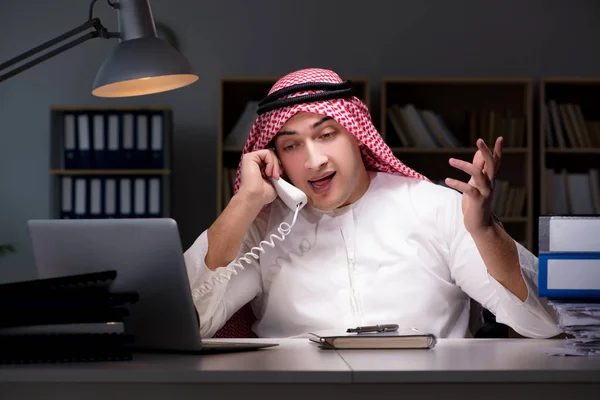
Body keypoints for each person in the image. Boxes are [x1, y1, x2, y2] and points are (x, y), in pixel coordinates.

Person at [183, 68, 561, 339]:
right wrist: (244, 203)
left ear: (357, 137)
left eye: (327, 134)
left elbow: (546, 323)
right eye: (292, 145)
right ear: (275, 157)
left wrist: (485, 231)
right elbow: (188, 321)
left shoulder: (439, 207)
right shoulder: (264, 225)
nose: (314, 161)